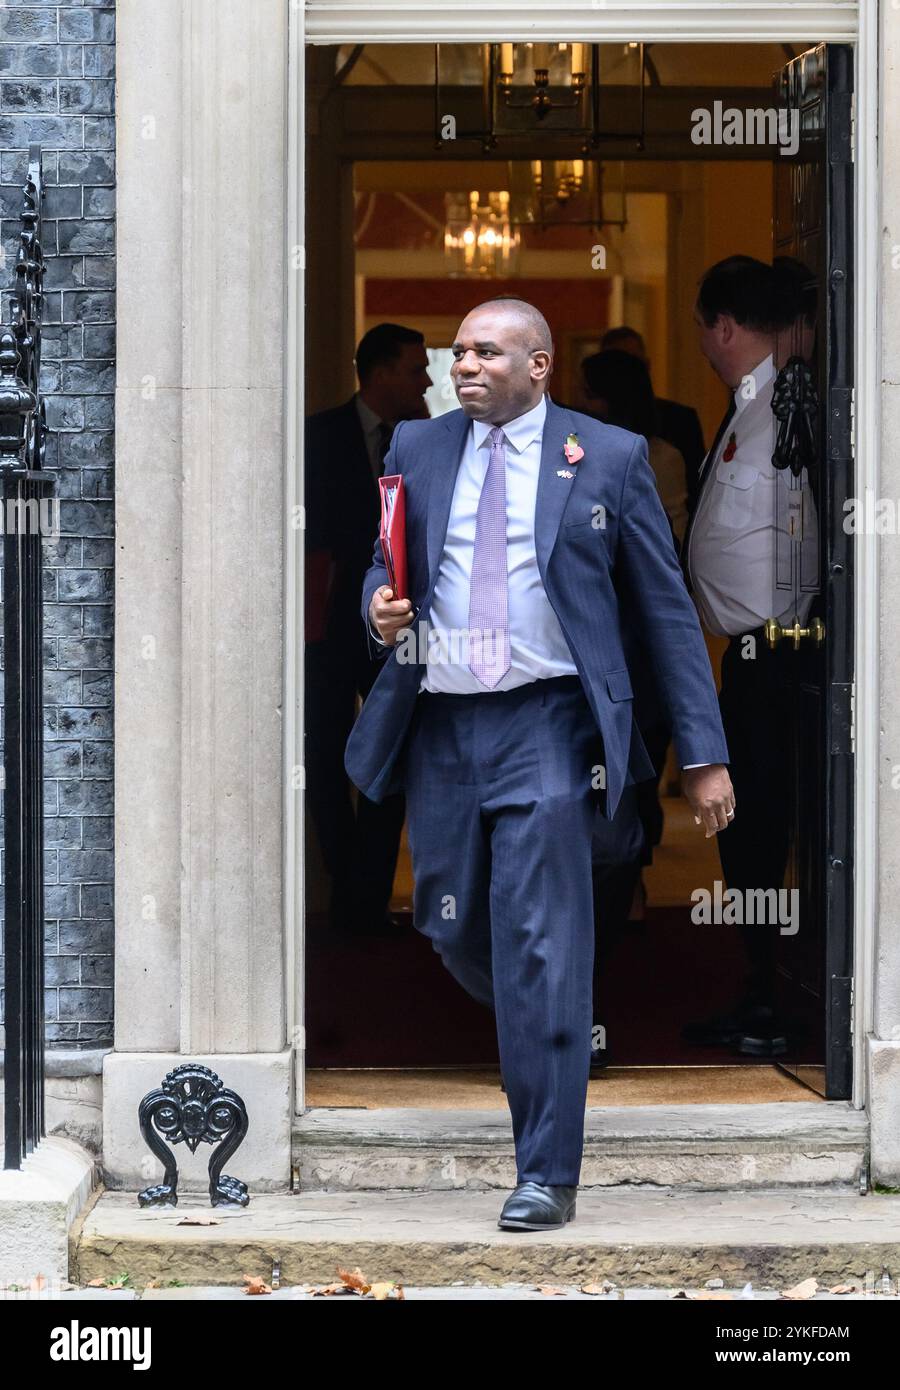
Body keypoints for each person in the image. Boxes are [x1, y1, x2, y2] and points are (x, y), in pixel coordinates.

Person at [344, 296, 733, 1231]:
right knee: (449, 922)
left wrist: (705, 757)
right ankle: (543, 998)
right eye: (461, 353)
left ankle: (545, 1172)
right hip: (443, 721)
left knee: (543, 942)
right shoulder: (417, 449)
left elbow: (668, 613)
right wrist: (378, 609)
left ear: (541, 366)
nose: (465, 365)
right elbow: (382, 564)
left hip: (552, 725)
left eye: (487, 352)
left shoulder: (606, 457)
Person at [681, 255, 818, 1056]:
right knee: (745, 832)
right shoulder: (753, 402)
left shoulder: (788, 401)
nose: (704, 343)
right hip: (748, 655)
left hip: (780, 654)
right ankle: (760, 986)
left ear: (724, 327)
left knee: (762, 827)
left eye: (704, 329)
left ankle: (772, 994)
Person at [305, 322, 432, 936]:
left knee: (391, 757)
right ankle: (349, 890)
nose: (428, 379)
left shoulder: (427, 439)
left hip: (400, 627)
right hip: (326, 626)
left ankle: (369, 899)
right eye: (415, 368)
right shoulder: (315, 436)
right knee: (324, 757)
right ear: (379, 372)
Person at [601, 325, 706, 514]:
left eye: (633, 365)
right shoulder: (591, 423)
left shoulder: (680, 419)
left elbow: (695, 490)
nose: (627, 374)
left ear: (647, 366)